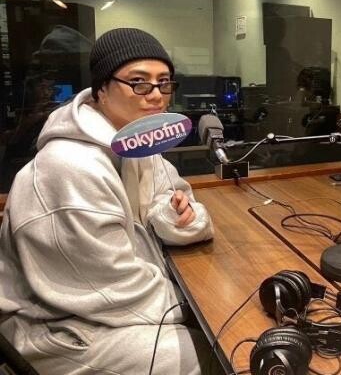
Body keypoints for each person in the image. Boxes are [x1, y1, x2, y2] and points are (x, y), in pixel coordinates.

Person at [0, 28, 216, 374]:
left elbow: (179, 202)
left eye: (164, 83)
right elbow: (110, 289)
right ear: (101, 88)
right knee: (211, 352)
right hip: (57, 329)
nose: (156, 95)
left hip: (109, 307)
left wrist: (178, 217)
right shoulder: (68, 167)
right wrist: (203, 305)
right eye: (139, 82)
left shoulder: (138, 143)